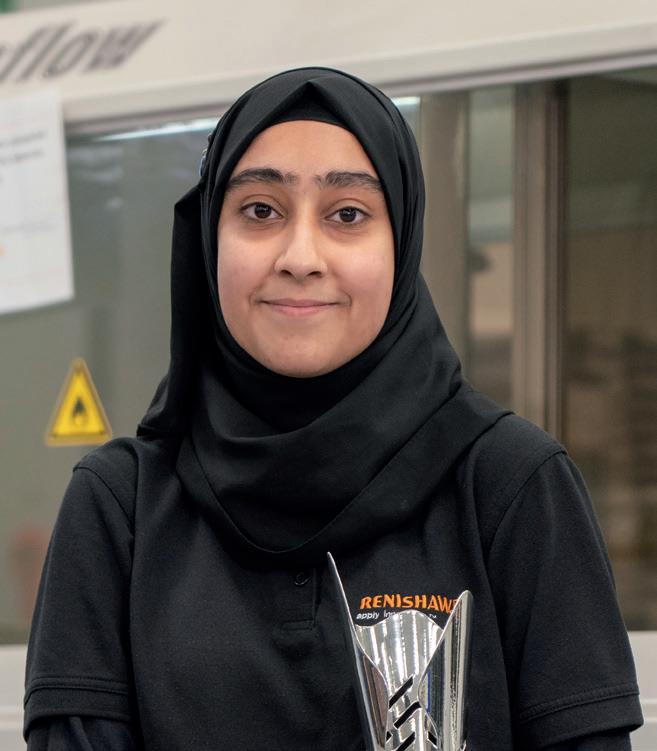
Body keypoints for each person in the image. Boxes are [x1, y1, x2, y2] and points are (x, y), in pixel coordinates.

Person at [24, 67, 643, 750]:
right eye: (260, 210)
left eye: (347, 214)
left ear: (402, 241)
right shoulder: (122, 507)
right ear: (208, 240)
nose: (300, 256)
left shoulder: (512, 485)